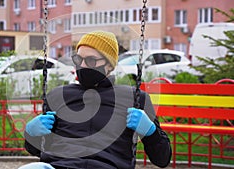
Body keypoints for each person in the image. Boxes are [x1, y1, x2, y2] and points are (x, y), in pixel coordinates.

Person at [21, 30, 171, 169]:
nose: (82, 65)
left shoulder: (135, 99)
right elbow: (37, 149)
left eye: (91, 61)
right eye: (78, 59)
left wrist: (151, 132)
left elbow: (162, 159)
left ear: (109, 65)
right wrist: (31, 135)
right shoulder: (58, 96)